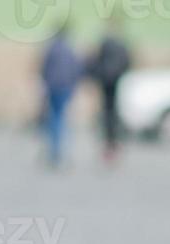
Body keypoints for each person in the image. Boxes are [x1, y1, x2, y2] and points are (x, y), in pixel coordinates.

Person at [39, 25, 83, 167]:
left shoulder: (51, 49)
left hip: (53, 87)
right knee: (62, 118)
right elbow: (76, 69)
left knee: (54, 118)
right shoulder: (70, 49)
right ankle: (63, 150)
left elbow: (44, 68)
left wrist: (45, 84)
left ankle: (55, 151)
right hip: (65, 88)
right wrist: (73, 86)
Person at [90, 27, 131, 164]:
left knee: (107, 112)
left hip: (106, 82)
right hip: (116, 82)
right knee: (114, 111)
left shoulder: (105, 44)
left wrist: (98, 76)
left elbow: (97, 62)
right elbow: (127, 62)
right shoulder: (122, 45)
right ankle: (113, 141)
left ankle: (109, 142)